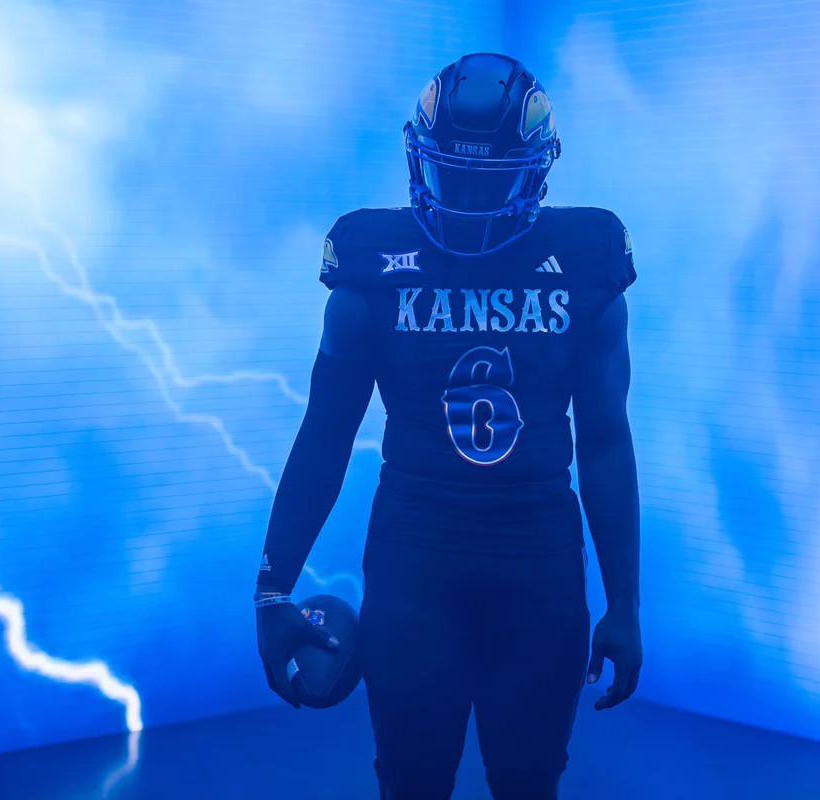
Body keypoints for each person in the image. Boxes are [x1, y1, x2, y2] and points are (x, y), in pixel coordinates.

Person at [254, 52, 642, 800]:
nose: (466, 197)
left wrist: (625, 602)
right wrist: (272, 588)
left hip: (537, 563)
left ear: (537, 172)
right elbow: (326, 433)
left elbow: (604, 440)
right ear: (417, 158)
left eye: (490, 179)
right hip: (415, 564)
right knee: (411, 784)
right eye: (450, 173)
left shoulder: (584, 258)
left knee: (528, 785)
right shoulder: (371, 264)